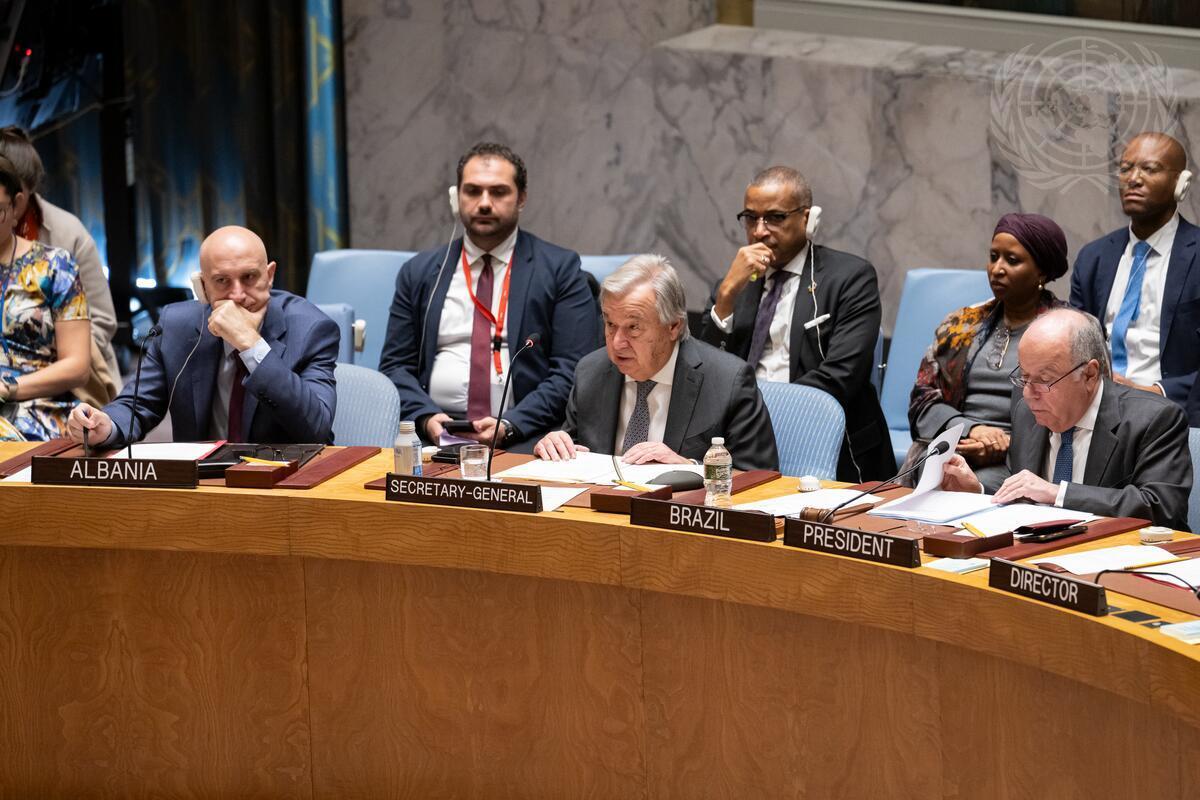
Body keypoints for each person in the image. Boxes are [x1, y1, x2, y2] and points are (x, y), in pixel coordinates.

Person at [379, 142, 599, 453]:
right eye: (472, 191)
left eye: (498, 192)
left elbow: (572, 370)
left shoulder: (559, 270)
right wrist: (426, 418)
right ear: (457, 196)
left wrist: (509, 424)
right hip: (433, 438)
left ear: (521, 198)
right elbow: (395, 366)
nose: (484, 203)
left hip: (525, 436)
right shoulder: (419, 272)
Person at [696, 166, 893, 482]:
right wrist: (726, 297)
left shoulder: (850, 278)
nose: (759, 231)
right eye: (751, 218)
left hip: (828, 442)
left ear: (808, 219)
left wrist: (757, 411)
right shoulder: (734, 284)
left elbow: (840, 377)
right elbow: (705, 371)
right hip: (741, 441)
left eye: (775, 217)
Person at [67, 226, 338, 446]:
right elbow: (138, 405)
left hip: (282, 488)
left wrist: (251, 344)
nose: (238, 295)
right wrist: (105, 426)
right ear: (203, 287)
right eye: (222, 281)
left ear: (269, 276)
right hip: (202, 490)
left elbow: (315, 428)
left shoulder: (311, 328)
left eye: (249, 277)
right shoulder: (177, 325)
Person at [941, 308, 1190, 530]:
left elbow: (1161, 508)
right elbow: (1026, 489)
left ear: (1090, 375)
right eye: (1024, 376)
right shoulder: (1026, 409)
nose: (1029, 394)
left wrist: (1058, 493)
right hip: (1041, 557)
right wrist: (979, 491)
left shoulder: (1155, 419)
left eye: (1045, 379)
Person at [534, 255, 778, 471]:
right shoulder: (590, 372)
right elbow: (575, 449)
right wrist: (556, 447)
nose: (617, 343)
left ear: (674, 326)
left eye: (634, 327)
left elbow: (762, 478)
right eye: (610, 324)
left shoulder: (728, 382)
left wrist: (690, 469)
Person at [907, 213, 1070, 490]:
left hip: (1025, 459)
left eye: (1012, 260)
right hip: (958, 444)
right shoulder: (959, 325)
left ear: (1041, 272)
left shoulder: (1067, 332)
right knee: (936, 474)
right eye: (994, 257)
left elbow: (1078, 410)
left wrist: (1009, 442)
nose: (997, 269)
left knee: (960, 489)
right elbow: (922, 399)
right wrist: (971, 430)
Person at [1070, 131, 1198, 411]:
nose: (1133, 179)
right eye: (1126, 168)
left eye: (1149, 169)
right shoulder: (1094, 258)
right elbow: (1075, 344)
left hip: (1174, 411)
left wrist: (1154, 391)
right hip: (1098, 407)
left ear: (1181, 184)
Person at [0, 126, 121, 394]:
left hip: (64, 382)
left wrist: (43, 354)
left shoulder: (66, 235)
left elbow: (102, 321)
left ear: (25, 192)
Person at [0, 156, 92, 441]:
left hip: (36, 408)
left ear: (16, 207)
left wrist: (7, 387)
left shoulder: (54, 266)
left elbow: (77, 366)